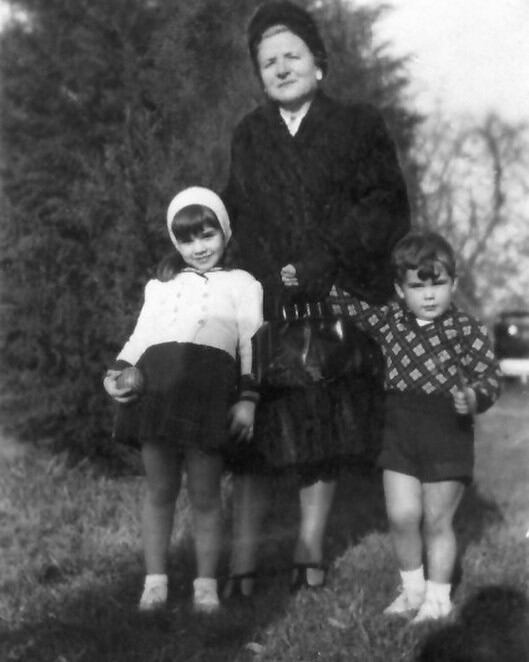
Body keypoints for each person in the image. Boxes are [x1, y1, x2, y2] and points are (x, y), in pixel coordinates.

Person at [222, 0, 410, 597]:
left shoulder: (359, 124)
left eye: (291, 56)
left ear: (319, 63)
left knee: (320, 431)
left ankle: (309, 546)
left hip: (334, 298)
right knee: (256, 435)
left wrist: (322, 262)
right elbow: (239, 214)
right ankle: (243, 564)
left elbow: (383, 206)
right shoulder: (250, 135)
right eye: (267, 61)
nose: (280, 69)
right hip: (270, 300)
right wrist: (263, 279)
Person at [321, 231, 501, 622]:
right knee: (402, 516)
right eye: (419, 286)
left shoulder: (467, 330)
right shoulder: (389, 323)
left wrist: (472, 397)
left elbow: (490, 378)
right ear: (401, 291)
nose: (430, 294)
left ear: (454, 283)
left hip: (447, 434)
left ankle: (437, 601)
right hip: (400, 432)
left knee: (437, 521)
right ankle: (412, 590)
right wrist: (314, 277)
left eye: (438, 283)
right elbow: (349, 308)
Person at [103, 187, 263, 613]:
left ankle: (205, 585)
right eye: (188, 239)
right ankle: (154, 584)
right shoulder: (161, 286)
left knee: (207, 495)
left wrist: (247, 399)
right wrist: (116, 372)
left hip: (209, 399)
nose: (199, 247)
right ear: (176, 242)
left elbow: (252, 344)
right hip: (155, 393)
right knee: (159, 490)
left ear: (224, 232)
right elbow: (140, 337)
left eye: (207, 235)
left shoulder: (243, 284)